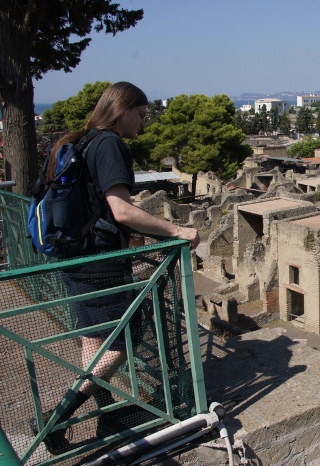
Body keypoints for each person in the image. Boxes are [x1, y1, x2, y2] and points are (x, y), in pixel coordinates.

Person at [32, 82, 200, 454]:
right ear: (123, 110)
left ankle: (100, 411)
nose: (143, 124)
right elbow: (121, 211)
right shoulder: (109, 144)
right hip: (100, 264)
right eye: (141, 115)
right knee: (121, 343)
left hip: (74, 260)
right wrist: (177, 230)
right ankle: (57, 417)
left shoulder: (78, 140)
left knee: (95, 342)